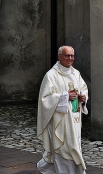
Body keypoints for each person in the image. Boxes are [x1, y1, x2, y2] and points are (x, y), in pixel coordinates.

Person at [36, 45, 89, 174]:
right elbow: (45, 99)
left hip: (75, 119)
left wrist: (83, 97)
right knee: (63, 149)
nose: (70, 58)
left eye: (72, 55)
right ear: (59, 57)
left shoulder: (76, 74)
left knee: (74, 145)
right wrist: (64, 97)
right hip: (60, 121)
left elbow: (83, 88)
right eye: (67, 55)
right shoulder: (51, 76)